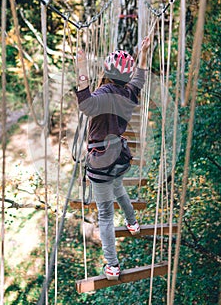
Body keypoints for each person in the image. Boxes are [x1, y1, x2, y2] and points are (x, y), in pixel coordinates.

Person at [75, 37, 150, 280]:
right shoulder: (130, 93)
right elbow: (140, 76)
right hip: (120, 159)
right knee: (118, 188)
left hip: (100, 164)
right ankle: (133, 223)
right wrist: (144, 51)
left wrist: (82, 68)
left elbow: (85, 104)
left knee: (106, 214)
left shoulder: (102, 95)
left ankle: (112, 265)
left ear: (106, 70)